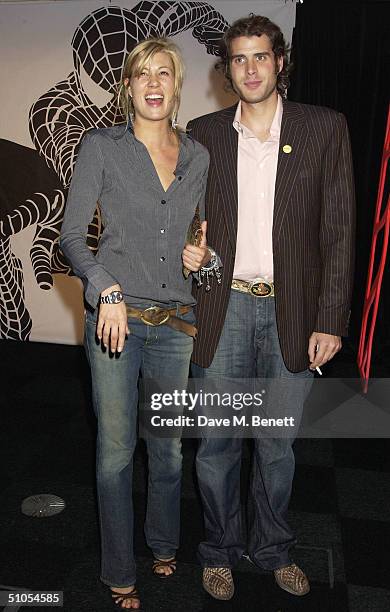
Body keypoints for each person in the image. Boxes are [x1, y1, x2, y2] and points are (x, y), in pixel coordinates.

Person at [183, 14, 355, 600]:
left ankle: (274, 548)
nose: (251, 68)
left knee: (278, 446)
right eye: (239, 59)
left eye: (261, 56)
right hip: (223, 311)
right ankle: (218, 549)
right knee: (218, 444)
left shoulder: (324, 128)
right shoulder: (202, 133)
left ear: (281, 62)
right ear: (227, 69)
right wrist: (193, 256)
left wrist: (330, 319)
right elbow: (192, 227)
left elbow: (337, 230)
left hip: (294, 313)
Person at [61, 37, 210, 609]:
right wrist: (107, 290)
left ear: (177, 86)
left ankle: (164, 544)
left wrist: (204, 254)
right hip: (115, 324)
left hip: (177, 323)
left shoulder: (197, 155)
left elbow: (199, 238)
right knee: (117, 451)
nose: (153, 83)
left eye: (164, 73)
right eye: (142, 73)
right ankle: (118, 568)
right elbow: (73, 236)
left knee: (169, 450)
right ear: (127, 86)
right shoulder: (102, 147)